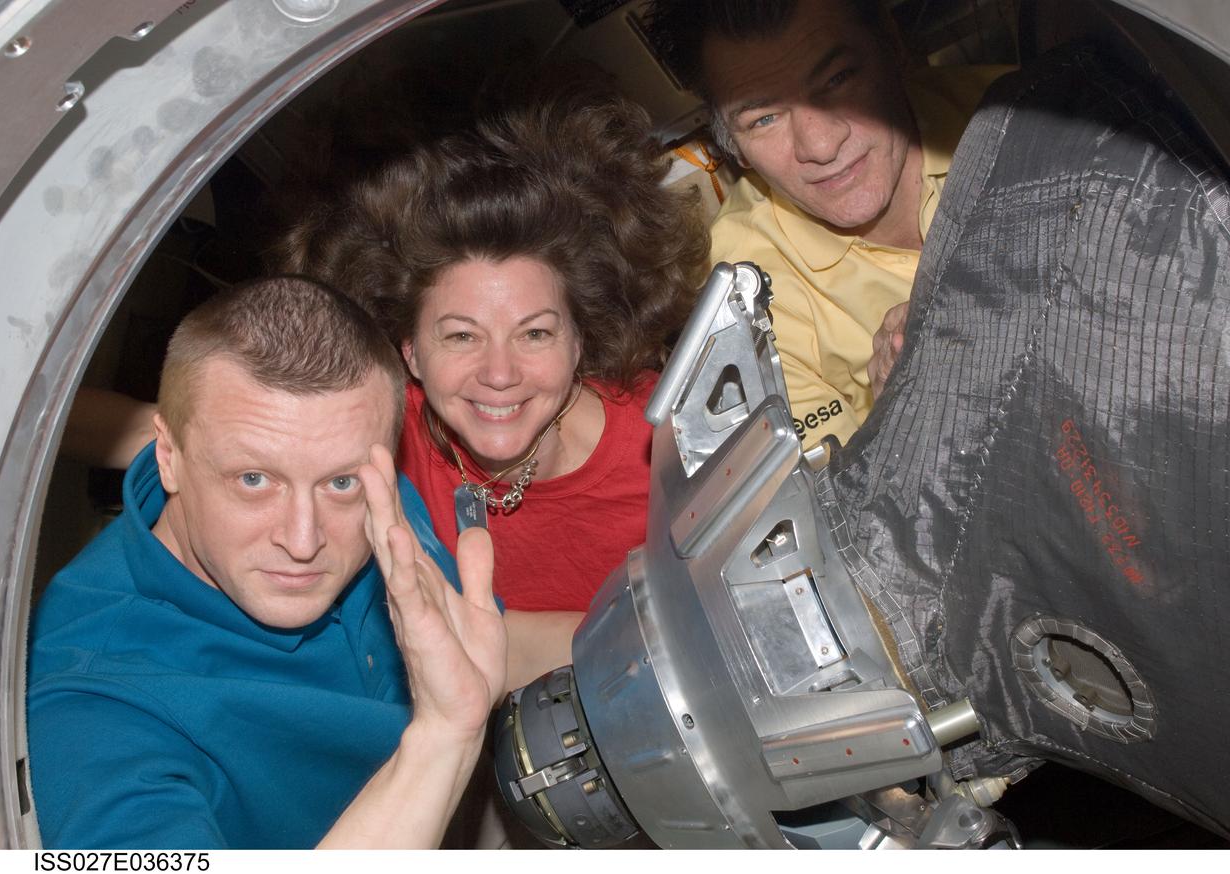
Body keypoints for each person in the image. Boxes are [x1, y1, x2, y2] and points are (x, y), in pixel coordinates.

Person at [27, 276, 506, 849]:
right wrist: (445, 737)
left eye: (340, 482)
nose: (303, 541)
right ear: (169, 456)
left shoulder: (374, 497)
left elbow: (469, 642)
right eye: (254, 480)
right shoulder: (93, 703)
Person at [277, 86, 709, 687]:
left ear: (579, 343)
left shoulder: (672, 446)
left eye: (534, 334)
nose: (499, 374)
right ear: (410, 352)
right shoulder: (379, 419)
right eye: (461, 337)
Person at [643, 0, 1010, 448]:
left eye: (838, 79)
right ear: (732, 146)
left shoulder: (1023, 113)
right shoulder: (735, 299)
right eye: (765, 118)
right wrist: (898, 416)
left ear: (892, 48)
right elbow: (836, 503)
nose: (819, 144)